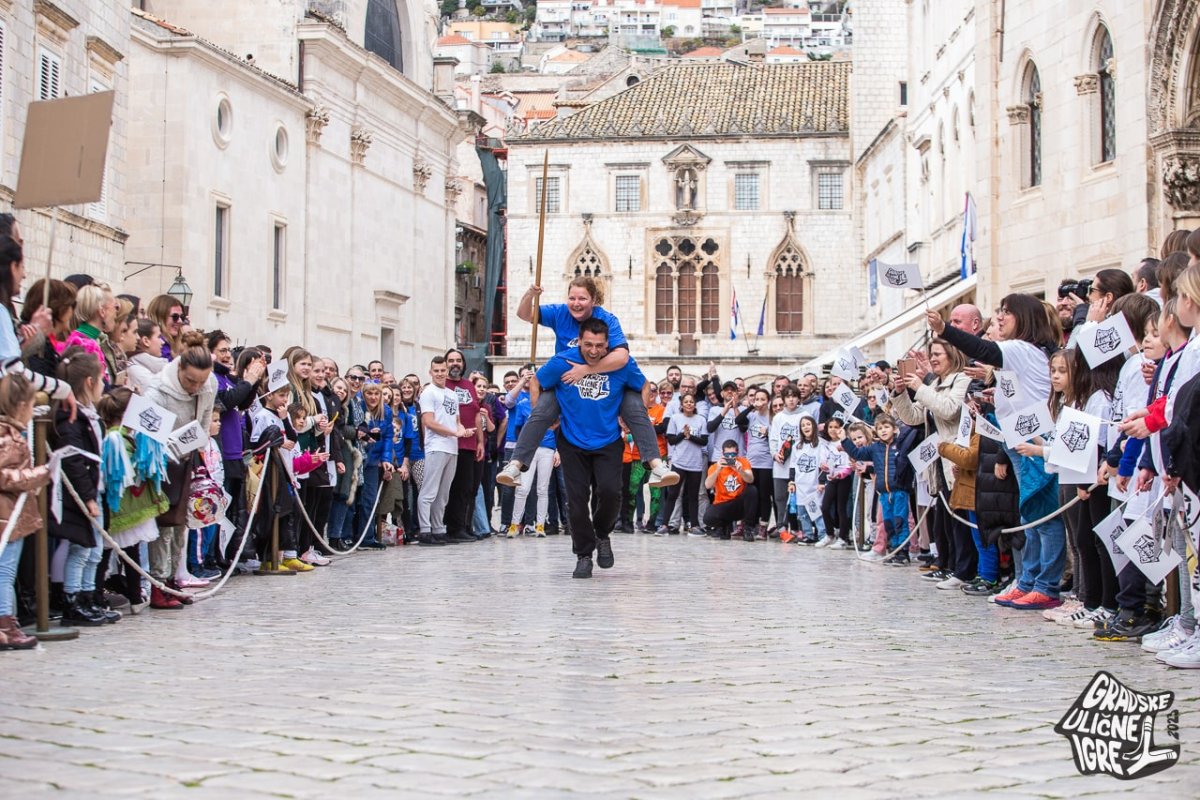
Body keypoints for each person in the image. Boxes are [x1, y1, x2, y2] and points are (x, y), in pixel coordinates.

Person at [500, 278, 677, 491]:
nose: (576, 303)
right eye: (572, 298)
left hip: (607, 378)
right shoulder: (559, 315)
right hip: (567, 382)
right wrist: (531, 293)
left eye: (582, 298)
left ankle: (656, 465)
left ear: (593, 300)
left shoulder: (607, 320)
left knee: (635, 407)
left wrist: (585, 369)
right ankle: (516, 464)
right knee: (541, 411)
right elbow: (524, 314)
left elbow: (621, 357)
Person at [535, 317, 648, 578]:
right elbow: (538, 383)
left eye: (599, 345)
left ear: (608, 344)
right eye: (588, 345)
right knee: (576, 502)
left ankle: (601, 534)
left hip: (608, 440)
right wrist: (545, 414)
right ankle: (584, 555)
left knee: (610, 493)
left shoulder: (621, 363)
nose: (594, 351)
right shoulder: (563, 360)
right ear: (580, 341)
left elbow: (643, 386)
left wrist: (634, 416)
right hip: (572, 441)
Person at [48, 348, 112, 626]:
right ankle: (73, 600)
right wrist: (87, 497)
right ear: (89, 381)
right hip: (81, 494)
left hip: (95, 489)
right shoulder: (71, 419)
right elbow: (74, 461)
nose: (104, 385)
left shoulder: (89, 414)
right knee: (81, 549)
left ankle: (88, 597)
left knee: (94, 550)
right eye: (101, 379)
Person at [0, 374, 52, 649]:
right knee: (5, 572)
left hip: (14, 513)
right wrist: (40, 474)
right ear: (21, 405)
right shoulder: (7, 438)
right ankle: (5, 625)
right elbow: (6, 475)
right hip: (8, 516)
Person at [839, 413, 918, 565]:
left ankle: (903, 552)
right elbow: (856, 453)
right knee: (888, 522)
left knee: (900, 520)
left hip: (899, 490)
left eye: (886, 427)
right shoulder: (875, 448)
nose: (883, 431)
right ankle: (893, 549)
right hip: (884, 492)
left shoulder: (901, 445)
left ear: (894, 429)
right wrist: (844, 440)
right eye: (880, 428)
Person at [417, 355, 472, 546]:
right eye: (437, 371)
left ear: (447, 371)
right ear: (431, 372)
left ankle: (438, 528)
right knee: (429, 491)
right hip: (436, 446)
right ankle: (425, 530)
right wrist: (453, 432)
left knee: (444, 492)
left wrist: (462, 430)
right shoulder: (428, 393)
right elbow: (429, 422)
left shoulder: (452, 394)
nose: (440, 374)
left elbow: (456, 420)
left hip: (452, 447)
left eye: (443, 370)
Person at [703, 440, 757, 541]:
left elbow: (751, 479)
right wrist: (718, 470)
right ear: (723, 454)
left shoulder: (743, 462)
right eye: (727, 454)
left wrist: (740, 471)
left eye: (733, 454)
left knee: (752, 490)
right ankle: (725, 526)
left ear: (737, 453)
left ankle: (748, 529)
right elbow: (707, 485)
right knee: (708, 518)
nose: (730, 457)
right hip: (723, 503)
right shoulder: (715, 466)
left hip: (739, 502)